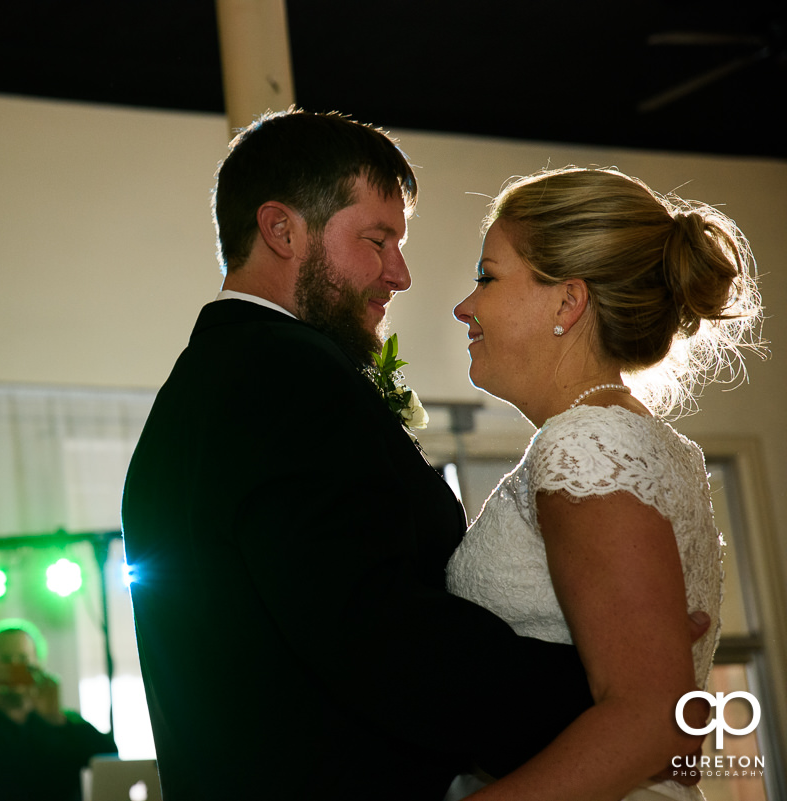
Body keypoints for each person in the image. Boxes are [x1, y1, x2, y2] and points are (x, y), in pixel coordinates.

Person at [122, 109, 710, 800]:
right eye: (377, 240)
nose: (399, 274)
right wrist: (617, 698)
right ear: (281, 230)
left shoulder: (214, 381)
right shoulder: (281, 377)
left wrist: (637, 703)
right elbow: (376, 634)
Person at [448, 166, 762, 800]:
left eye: (487, 276)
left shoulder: (583, 446)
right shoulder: (648, 443)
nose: (465, 306)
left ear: (568, 300)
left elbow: (649, 720)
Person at [0, 618, 117, 801]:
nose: (15, 667)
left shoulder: (65, 726)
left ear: (38, 664)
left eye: (23, 659)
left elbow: (110, 759)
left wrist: (57, 719)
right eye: (5, 660)